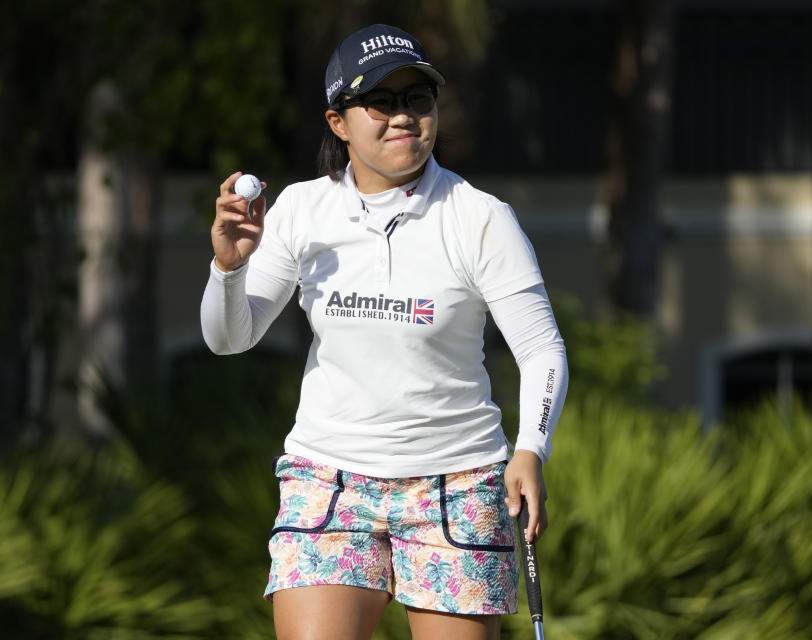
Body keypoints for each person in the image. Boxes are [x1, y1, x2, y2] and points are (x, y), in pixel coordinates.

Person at [201, 23, 568, 640]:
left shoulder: (480, 218)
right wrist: (229, 269)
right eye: (382, 102)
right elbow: (228, 338)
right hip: (329, 480)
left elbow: (540, 349)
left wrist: (531, 447)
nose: (403, 117)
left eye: (417, 99)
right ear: (338, 121)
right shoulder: (301, 210)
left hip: (457, 483)